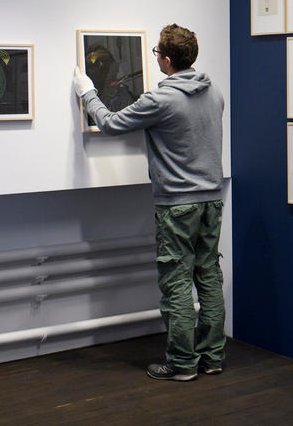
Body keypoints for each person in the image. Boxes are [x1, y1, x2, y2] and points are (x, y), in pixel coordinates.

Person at [72, 24, 226, 382]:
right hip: (211, 201)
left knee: (177, 283)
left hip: (177, 205)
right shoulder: (214, 91)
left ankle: (182, 364)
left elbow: (110, 124)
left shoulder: (160, 100)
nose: (155, 57)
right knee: (209, 278)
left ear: (167, 60)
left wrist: (88, 92)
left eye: (157, 52)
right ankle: (213, 357)